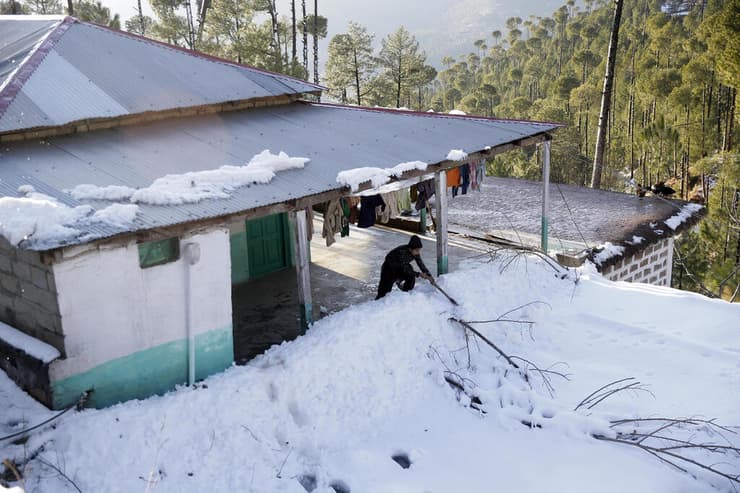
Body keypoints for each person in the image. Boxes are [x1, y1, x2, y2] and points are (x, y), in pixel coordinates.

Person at [375, 235, 433, 299]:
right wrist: (419, 274)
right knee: (384, 293)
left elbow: (420, 263)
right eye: (417, 250)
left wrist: (429, 275)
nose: (418, 252)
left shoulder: (415, 252)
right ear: (410, 249)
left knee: (411, 276)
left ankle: (406, 294)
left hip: (401, 268)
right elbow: (404, 269)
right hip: (389, 270)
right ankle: (378, 303)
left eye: (419, 250)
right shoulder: (401, 252)